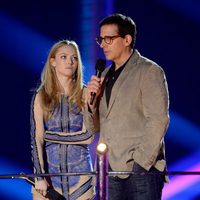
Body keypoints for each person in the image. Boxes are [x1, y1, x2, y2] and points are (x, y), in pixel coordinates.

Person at [85, 13, 170, 200]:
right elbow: (94, 127)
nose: (103, 44)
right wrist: (90, 104)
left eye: (109, 39)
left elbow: (158, 119)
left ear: (127, 39)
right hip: (109, 169)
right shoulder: (104, 75)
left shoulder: (148, 70)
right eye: (101, 39)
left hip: (141, 169)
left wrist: (140, 162)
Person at [30, 40, 97, 200]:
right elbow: (36, 139)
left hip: (82, 182)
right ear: (52, 61)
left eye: (74, 58)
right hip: (48, 181)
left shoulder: (86, 93)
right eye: (64, 57)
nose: (70, 61)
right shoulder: (41, 96)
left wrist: (49, 136)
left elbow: (88, 136)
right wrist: (39, 177)